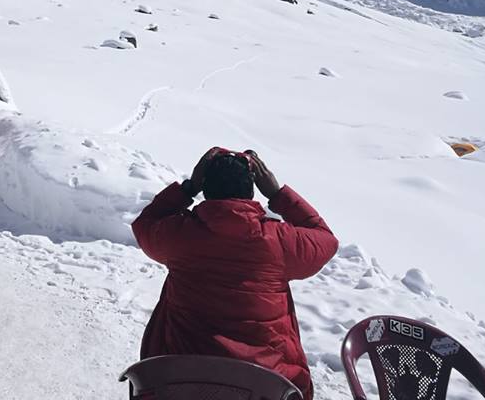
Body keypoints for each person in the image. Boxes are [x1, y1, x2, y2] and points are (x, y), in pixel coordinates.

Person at [131, 147, 338, 400]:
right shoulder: (279, 241)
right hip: (266, 385)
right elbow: (325, 239)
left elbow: (145, 224)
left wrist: (187, 189)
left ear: (206, 190)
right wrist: (277, 193)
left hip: (181, 382)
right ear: (252, 192)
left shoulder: (180, 234)